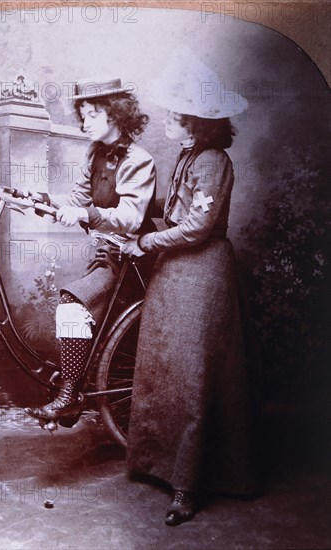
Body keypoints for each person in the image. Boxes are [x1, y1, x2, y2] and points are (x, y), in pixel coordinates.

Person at [126, 55, 261, 526]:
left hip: (203, 276)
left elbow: (197, 227)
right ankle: (157, 465)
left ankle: (189, 483)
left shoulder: (213, 161)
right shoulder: (187, 157)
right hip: (175, 275)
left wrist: (144, 241)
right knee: (165, 370)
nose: (166, 120)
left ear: (195, 122)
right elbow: (169, 207)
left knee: (194, 378)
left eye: (174, 114)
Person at [24, 77, 157, 422]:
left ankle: (69, 396)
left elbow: (130, 217)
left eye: (91, 116)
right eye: (82, 115)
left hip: (131, 260)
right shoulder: (96, 154)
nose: (84, 124)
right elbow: (77, 200)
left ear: (114, 115)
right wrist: (39, 199)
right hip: (106, 255)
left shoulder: (138, 160)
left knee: (71, 305)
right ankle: (76, 385)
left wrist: (85, 214)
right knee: (74, 309)